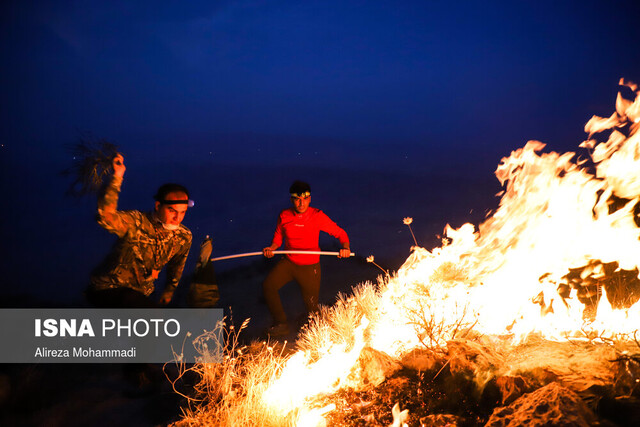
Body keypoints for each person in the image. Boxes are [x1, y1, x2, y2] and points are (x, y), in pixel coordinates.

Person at [86, 154, 193, 308]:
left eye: (182, 212)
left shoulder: (183, 236)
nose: (177, 218)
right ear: (158, 206)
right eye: (172, 211)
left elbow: (176, 267)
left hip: (142, 293)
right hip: (108, 289)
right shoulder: (136, 222)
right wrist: (117, 177)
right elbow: (106, 216)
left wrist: (168, 293)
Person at [262, 180, 350, 336]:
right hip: (289, 263)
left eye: (305, 198)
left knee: (311, 306)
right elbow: (277, 240)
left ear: (310, 198)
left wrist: (345, 248)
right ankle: (282, 324)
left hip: (310, 266)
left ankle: (319, 334)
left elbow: (341, 234)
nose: (301, 203)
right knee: (268, 286)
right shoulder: (284, 215)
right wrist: (271, 249)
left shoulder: (317, 216)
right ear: (292, 200)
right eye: (297, 199)